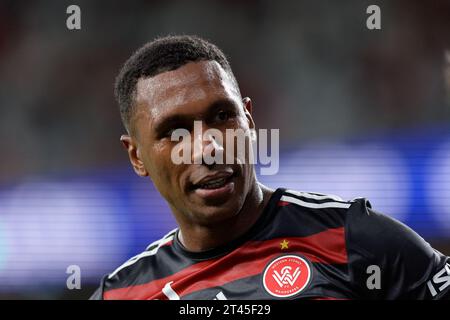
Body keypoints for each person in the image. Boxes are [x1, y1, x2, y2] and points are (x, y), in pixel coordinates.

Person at [90, 35, 449, 300]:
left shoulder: (356, 239)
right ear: (137, 157)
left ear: (249, 118)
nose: (209, 146)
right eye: (174, 132)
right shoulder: (122, 293)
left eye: (221, 116)